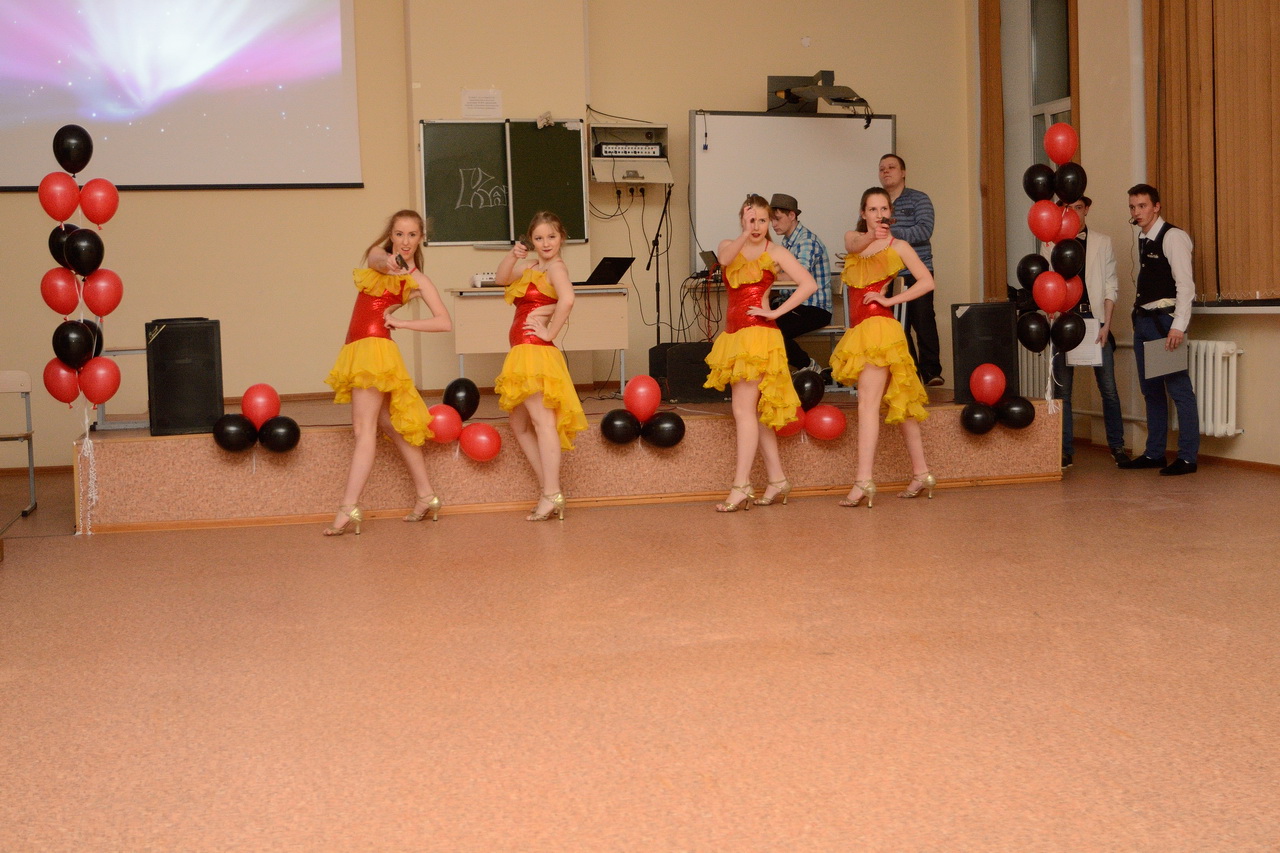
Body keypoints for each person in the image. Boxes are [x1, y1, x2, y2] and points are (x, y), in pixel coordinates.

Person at [323, 210, 452, 535]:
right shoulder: (376, 257)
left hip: (374, 352)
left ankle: (348, 507)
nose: (405, 241)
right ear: (390, 235)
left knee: (362, 429)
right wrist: (390, 262)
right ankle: (426, 495)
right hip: (359, 348)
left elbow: (444, 322)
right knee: (388, 425)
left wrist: (403, 323)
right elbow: (378, 259)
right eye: (399, 234)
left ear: (421, 238)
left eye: (412, 235)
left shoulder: (418, 279)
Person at [703, 194, 817, 511]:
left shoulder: (775, 251)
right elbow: (725, 259)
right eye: (751, 219)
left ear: (769, 222)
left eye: (763, 221)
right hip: (735, 336)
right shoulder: (730, 245)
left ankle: (741, 486)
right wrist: (745, 233)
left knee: (743, 410)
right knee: (754, 413)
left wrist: (776, 313)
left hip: (759, 336)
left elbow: (808, 284)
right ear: (742, 219)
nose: (757, 226)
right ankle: (777, 479)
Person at [831, 187, 936, 507]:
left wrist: (891, 300)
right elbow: (855, 244)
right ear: (863, 213)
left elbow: (927, 281)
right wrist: (870, 235)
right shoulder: (854, 238)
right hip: (863, 331)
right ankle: (922, 474)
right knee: (901, 405)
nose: (879, 214)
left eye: (883, 209)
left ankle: (863, 481)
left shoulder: (899, 245)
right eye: (873, 209)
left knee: (868, 404)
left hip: (878, 330)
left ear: (891, 213)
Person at [494, 211, 589, 520]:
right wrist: (513, 255)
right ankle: (549, 489)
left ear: (561, 237)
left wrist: (549, 332)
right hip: (523, 352)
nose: (546, 243)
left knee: (542, 422)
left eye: (551, 236)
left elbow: (568, 299)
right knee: (519, 424)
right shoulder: (532, 266)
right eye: (538, 238)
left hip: (534, 353)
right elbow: (501, 278)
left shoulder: (557, 268)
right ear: (531, 241)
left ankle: (551, 492)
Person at [1117, 183, 1199, 475]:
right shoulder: (1144, 238)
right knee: (1151, 391)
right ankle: (1154, 454)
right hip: (1144, 322)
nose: (1136, 212)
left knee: (1178, 390)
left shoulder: (1172, 237)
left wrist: (1178, 326)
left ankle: (1187, 457)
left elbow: (1185, 285)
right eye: (1132, 207)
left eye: (1142, 206)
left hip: (1164, 323)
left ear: (1156, 206)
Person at [1040, 196, 1127, 468]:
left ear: (1087, 209)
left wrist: (1106, 325)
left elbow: (1111, 285)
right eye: (1066, 209)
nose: (1073, 214)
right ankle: (1065, 450)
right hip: (1065, 319)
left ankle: (1117, 446)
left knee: (1108, 389)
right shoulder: (1050, 244)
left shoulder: (1102, 242)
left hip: (1096, 319)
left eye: (1078, 208)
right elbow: (1046, 284)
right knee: (1062, 390)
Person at [848, 154, 943, 386]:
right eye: (882, 168)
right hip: (885, 275)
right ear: (864, 212)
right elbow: (854, 243)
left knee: (923, 321)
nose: (886, 171)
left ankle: (931, 372)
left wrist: (889, 235)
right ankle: (910, 374)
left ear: (903, 172)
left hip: (914, 268)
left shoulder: (919, 199)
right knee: (899, 326)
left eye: (891, 167)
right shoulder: (868, 214)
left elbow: (924, 230)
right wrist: (875, 234)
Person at [767, 193, 832, 373]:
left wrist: (767, 275)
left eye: (777, 219)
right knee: (761, 324)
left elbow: (795, 276)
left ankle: (809, 367)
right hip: (796, 305)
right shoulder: (788, 242)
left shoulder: (806, 241)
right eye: (771, 220)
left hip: (814, 308)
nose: (773, 224)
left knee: (774, 332)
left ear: (792, 215)